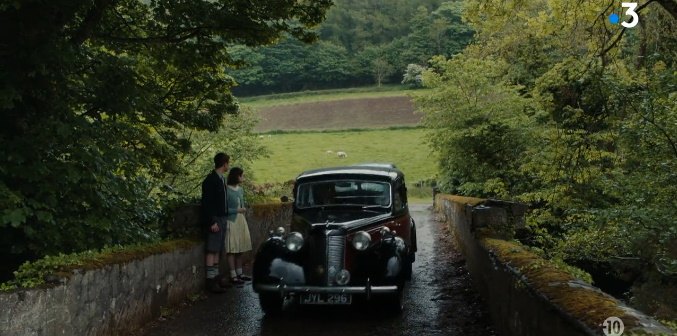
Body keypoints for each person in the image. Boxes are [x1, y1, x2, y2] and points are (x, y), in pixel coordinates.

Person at [200, 152, 230, 293]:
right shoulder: (210, 180)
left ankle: (216, 277)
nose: (228, 166)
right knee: (212, 249)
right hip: (215, 218)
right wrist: (212, 221)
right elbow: (207, 203)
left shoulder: (221, 179)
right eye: (228, 163)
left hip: (222, 217)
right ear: (224, 163)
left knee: (218, 248)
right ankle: (210, 281)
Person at [224, 167, 253, 285]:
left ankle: (240, 273)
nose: (243, 178)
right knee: (232, 248)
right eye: (242, 176)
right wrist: (237, 210)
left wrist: (243, 209)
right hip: (232, 220)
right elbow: (224, 209)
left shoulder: (240, 190)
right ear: (237, 176)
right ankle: (233, 275)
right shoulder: (226, 190)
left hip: (241, 220)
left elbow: (242, 203)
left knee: (240, 248)